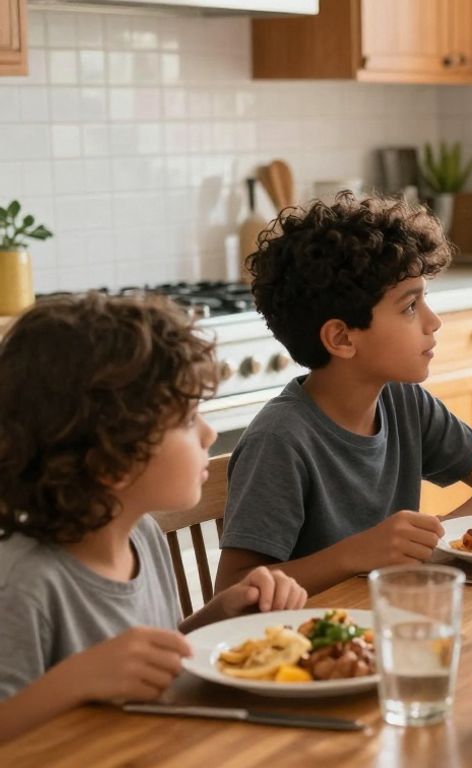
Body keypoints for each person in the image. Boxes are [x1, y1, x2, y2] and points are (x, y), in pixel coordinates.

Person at [0, 294, 308, 743]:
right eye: (186, 420)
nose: (208, 432)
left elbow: (142, 659)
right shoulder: (23, 583)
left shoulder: (140, 535)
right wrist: (75, 681)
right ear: (109, 459)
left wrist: (217, 615)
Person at [215, 195, 472, 596]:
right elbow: (233, 593)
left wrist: (433, 544)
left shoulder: (403, 402)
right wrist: (354, 555)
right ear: (342, 338)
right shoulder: (280, 441)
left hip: (387, 617)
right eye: (409, 306)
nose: (433, 321)